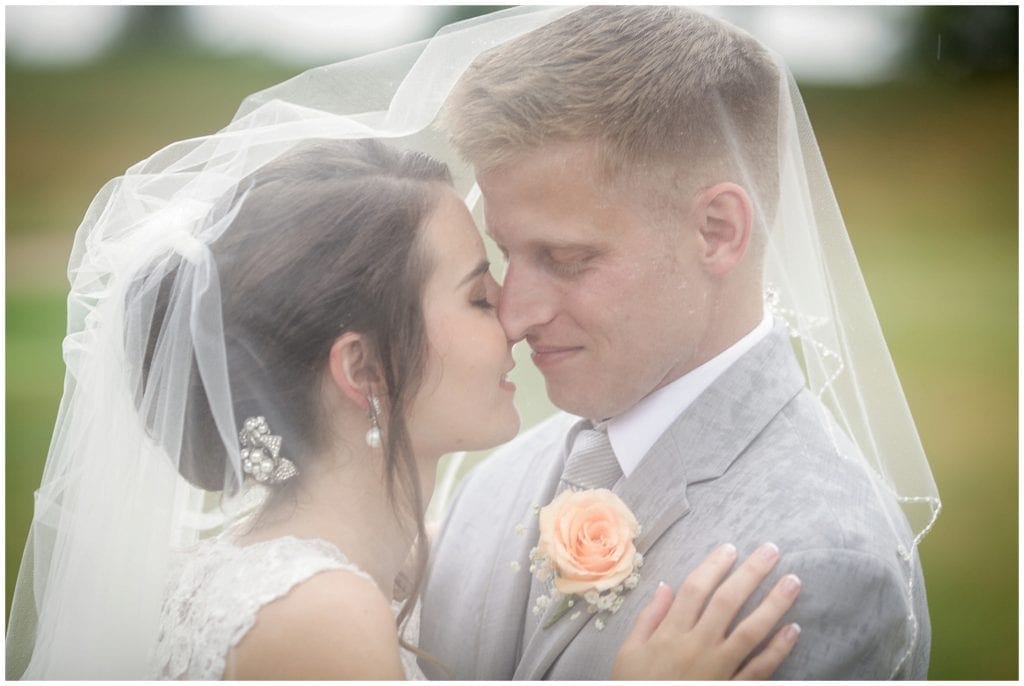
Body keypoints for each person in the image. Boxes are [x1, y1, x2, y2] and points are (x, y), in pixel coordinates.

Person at [6, 133, 804, 678]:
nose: (519, 316)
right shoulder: (321, 614)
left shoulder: (402, 556)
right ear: (365, 369)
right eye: (478, 297)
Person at [420, 5, 940, 680]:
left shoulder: (813, 566)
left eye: (568, 258)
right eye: (507, 253)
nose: (513, 317)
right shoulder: (492, 477)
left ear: (718, 231)